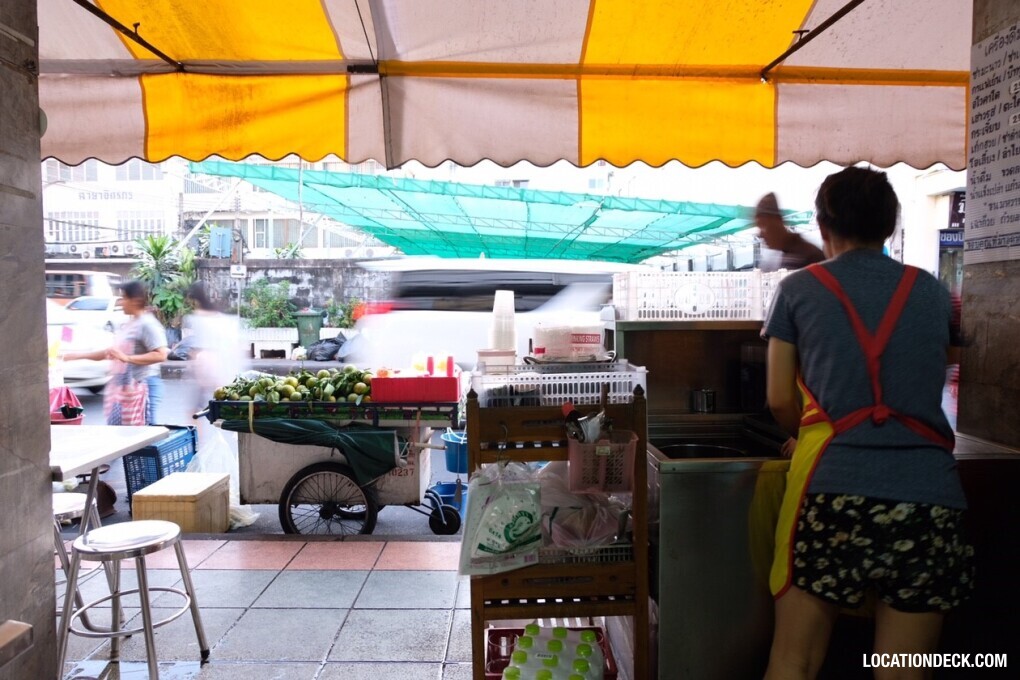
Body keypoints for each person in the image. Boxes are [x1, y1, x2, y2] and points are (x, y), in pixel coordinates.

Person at [762, 167, 972, 679]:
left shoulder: (797, 290)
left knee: (796, 660)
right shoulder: (933, 293)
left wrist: (806, 434)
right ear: (890, 225)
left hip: (833, 491)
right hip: (929, 498)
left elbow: (776, 397)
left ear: (823, 223)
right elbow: (938, 369)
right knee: (903, 670)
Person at [64, 280, 168, 425]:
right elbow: (112, 353)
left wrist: (127, 358)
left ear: (136, 300)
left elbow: (161, 354)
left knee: (142, 435)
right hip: (124, 389)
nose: (121, 303)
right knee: (124, 434)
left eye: (124, 298)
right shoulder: (131, 323)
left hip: (144, 385)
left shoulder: (147, 324)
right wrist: (77, 356)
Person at [755, 192, 825, 272]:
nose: (760, 235)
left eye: (763, 227)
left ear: (778, 221)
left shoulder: (804, 256)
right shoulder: (788, 254)